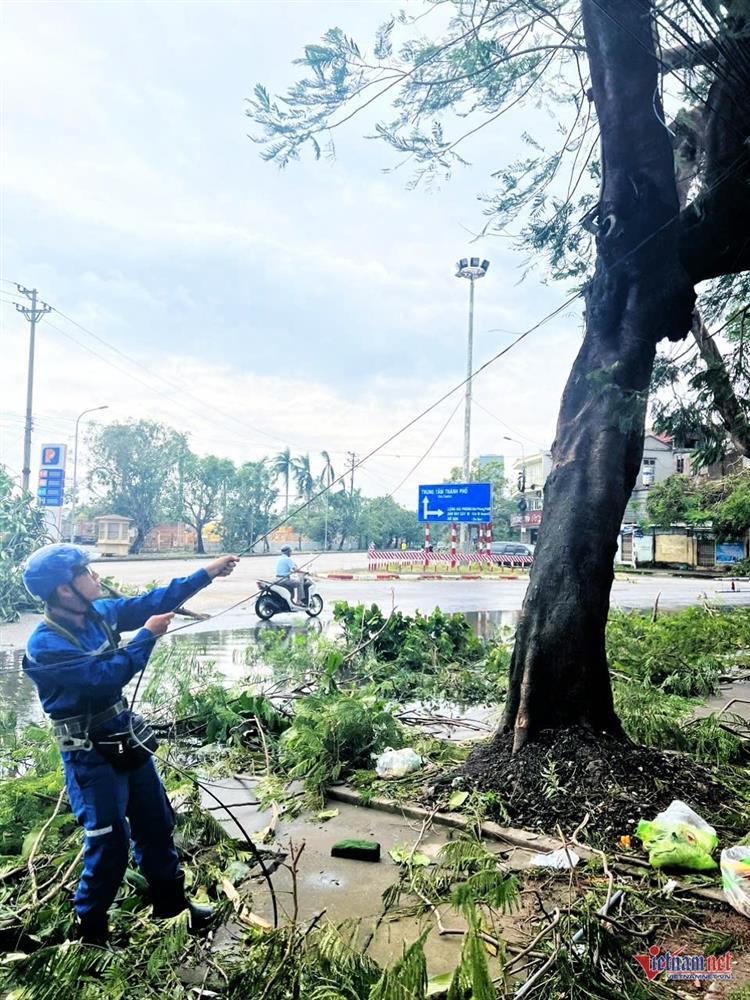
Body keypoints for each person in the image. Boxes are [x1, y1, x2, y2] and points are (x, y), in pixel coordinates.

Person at [22, 543, 239, 946]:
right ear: (64, 590)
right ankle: (92, 935)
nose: (96, 577)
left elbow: (152, 601)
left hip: (122, 735)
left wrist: (208, 572)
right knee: (109, 841)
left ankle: (171, 907)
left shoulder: (100, 613)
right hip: (87, 752)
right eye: (85, 573)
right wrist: (146, 637)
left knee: (155, 819)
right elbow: (104, 676)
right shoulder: (46, 644)